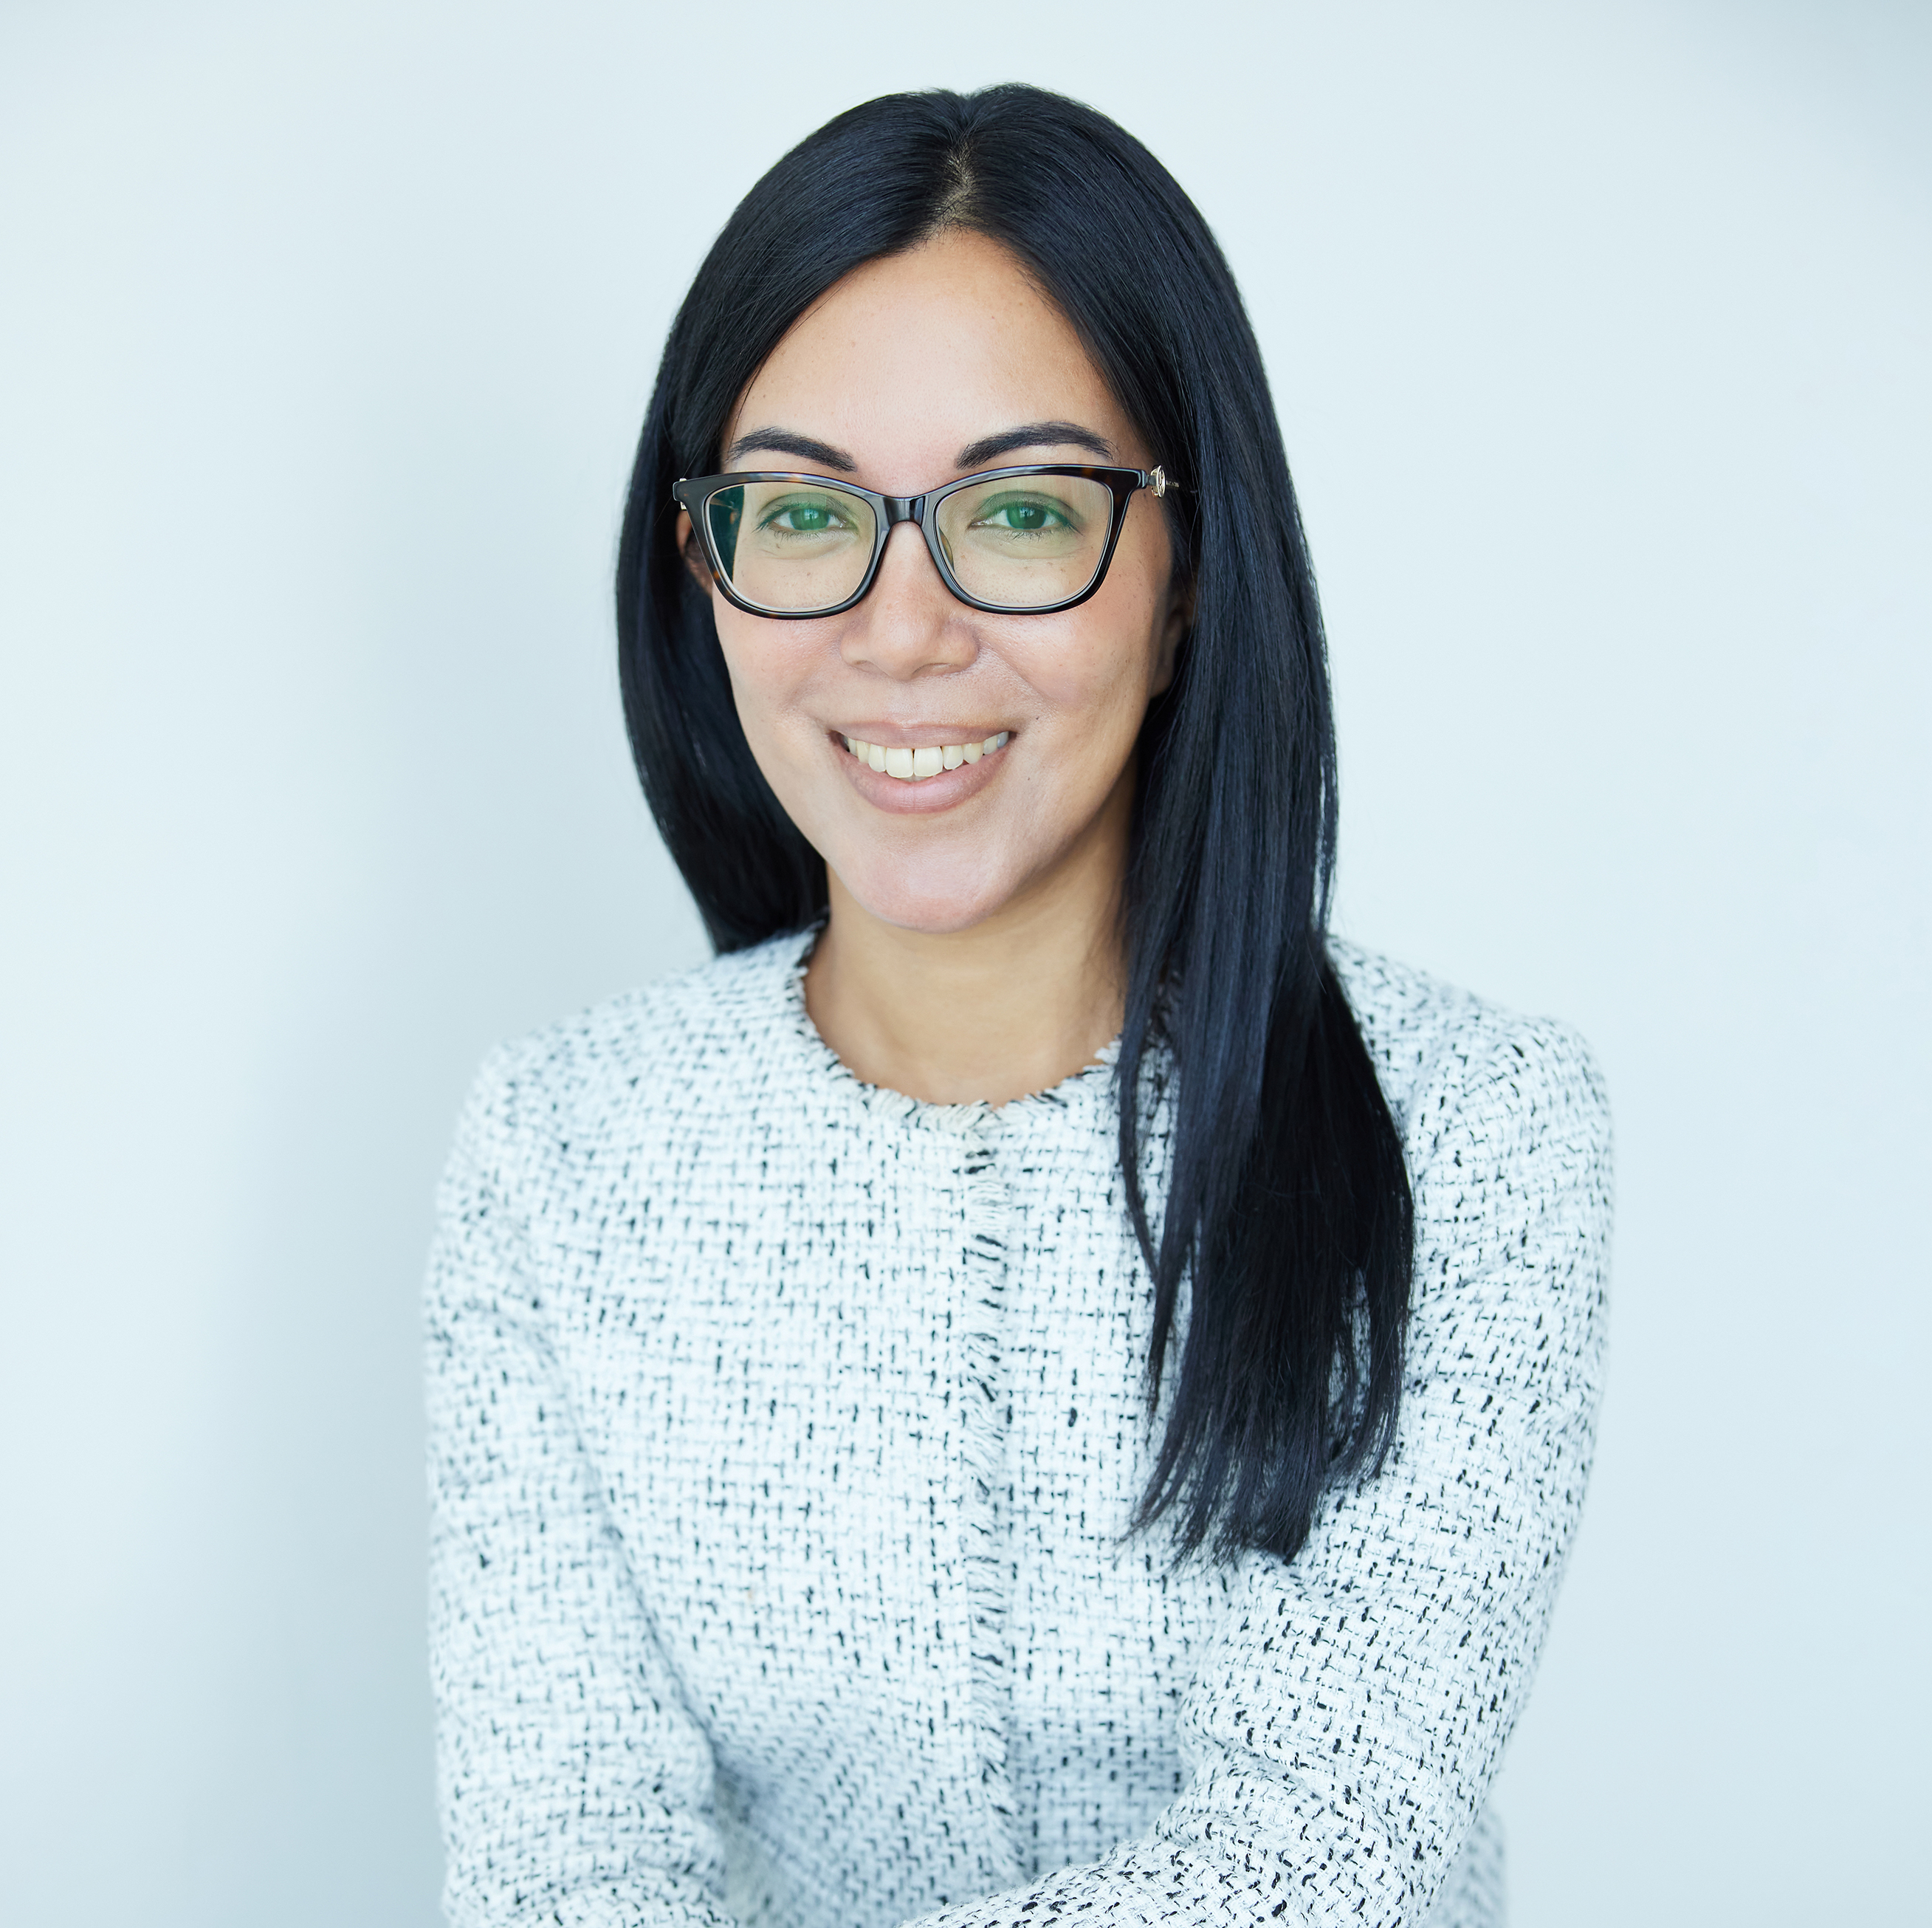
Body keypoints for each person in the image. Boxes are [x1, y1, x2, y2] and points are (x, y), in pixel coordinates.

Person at [425, 84, 1612, 1928]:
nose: (903, 632)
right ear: (702, 566)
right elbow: (562, 1870)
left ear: (1188, 568)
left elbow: (1326, 1855)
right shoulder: (557, 1151)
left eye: (1025, 508)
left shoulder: (1477, 1124)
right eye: (802, 511)